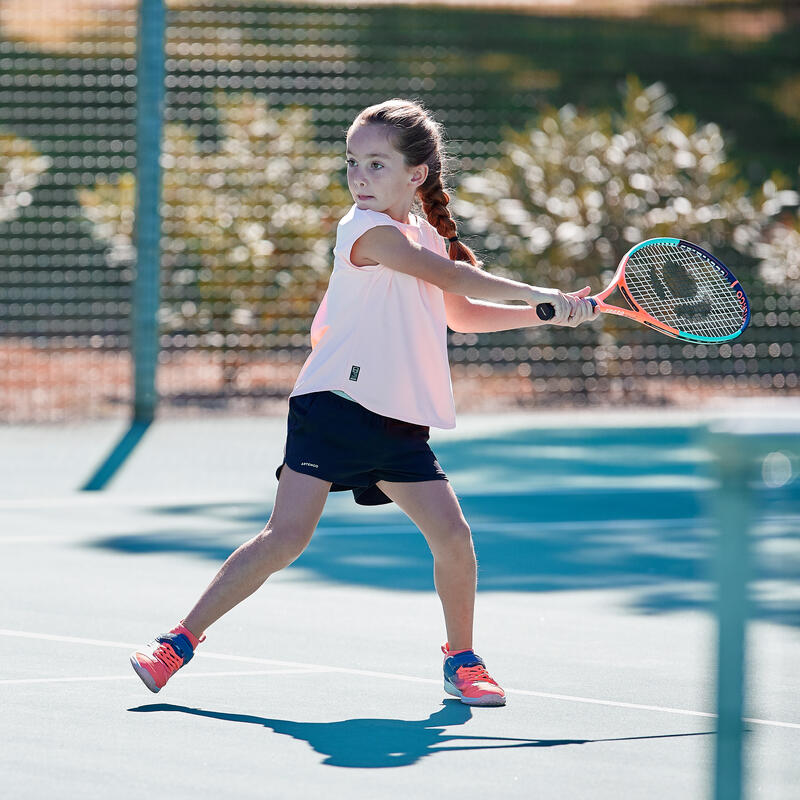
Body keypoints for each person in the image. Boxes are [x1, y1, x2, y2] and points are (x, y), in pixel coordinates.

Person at [130, 98, 597, 706]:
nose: (359, 177)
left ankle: (462, 661)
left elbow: (456, 312)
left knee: (453, 537)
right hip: (335, 407)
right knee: (285, 539)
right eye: (353, 162)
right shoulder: (364, 231)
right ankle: (178, 643)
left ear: (416, 174)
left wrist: (543, 315)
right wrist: (544, 294)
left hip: (398, 420)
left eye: (377, 164)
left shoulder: (425, 235)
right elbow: (454, 280)